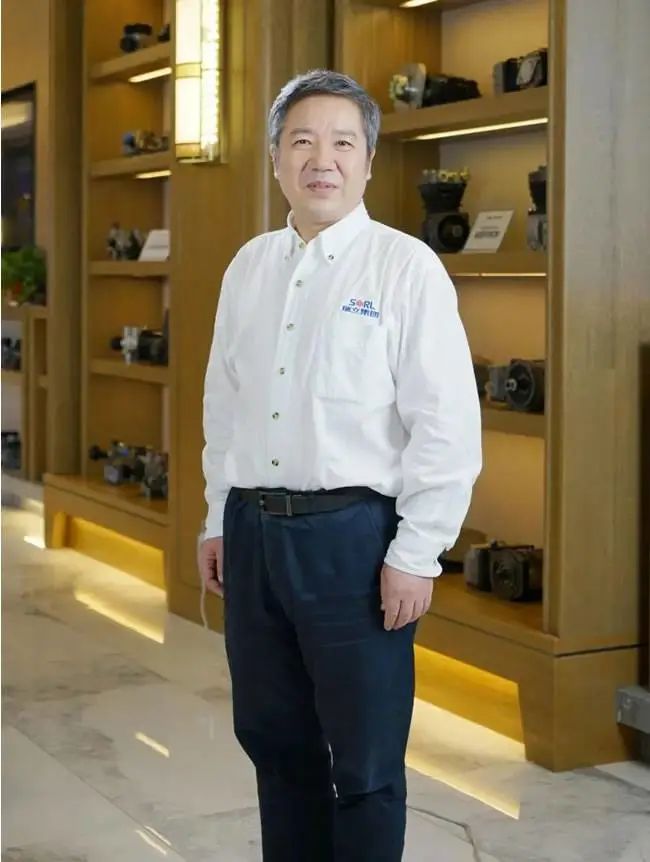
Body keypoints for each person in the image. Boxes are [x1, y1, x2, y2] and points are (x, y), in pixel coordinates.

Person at [198, 69, 482, 862]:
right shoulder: (248, 266)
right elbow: (225, 407)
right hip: (253, 532)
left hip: (353, 544)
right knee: (275, 746)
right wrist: (216, 518)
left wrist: (417, 552)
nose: (321, 159)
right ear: (276, 160)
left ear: (367, 161)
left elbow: (446, 425)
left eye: (342, 143)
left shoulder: (404, 267)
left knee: (364, 763)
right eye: (302, 141)